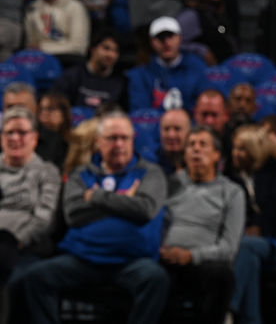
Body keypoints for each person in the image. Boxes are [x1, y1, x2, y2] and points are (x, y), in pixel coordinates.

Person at [16, 110, 169, 324]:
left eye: (124, 138)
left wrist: (95, 196)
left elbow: (144, 210)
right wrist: (123, 201)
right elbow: (73, 215)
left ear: (133, 139)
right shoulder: (81, 174)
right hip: (82, 260)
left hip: (132, 262)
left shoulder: (151, 173)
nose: (118, 144)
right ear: (98, 142)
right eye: (111, 138)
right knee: (35, 277)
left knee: (156, 279)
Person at [161, 125, 245, 324]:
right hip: (165, 259)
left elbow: (229, 248)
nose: (196, 149)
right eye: (191, 145)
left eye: (202, 144)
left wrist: (191, 256)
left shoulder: (232, 192)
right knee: (145, 272)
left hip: (202, 264)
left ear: (216, 155)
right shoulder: (168, 185)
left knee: (222, 276)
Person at [228, 124, 276, 324]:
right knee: (249, 259)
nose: (236, 153)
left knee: (246, 246)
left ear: (254, 150)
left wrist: (261, 228)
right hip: (243, 243)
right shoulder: (234, 177)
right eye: (234, 148)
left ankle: (227, 308)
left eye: (242, 149)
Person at [0, 106, 62, 285]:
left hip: (26, 249)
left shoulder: (47, 171)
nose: (15, 138)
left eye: (22, 132)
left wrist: (16, 241)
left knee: (18, 281)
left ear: (34, 138)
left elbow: (44, 219)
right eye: (9, 133)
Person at [126, 16, 209, 112]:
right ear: (152, 42)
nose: (166, 42)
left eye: (170, 36)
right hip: (156, 126)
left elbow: (203, 107)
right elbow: (140, 112)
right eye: (160, 38)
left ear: (180, 38)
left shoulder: (197, 66)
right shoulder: (140, 75)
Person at [23, 0, 91, 60]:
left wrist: (43, 48)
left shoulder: (75, 7)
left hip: (68, 59)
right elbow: (31, 45)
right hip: (39, 60)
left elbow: (78, 47)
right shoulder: (32, 8)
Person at [51, 29, 127, 110]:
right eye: (106, 48)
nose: (111, 55)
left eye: (115, 51)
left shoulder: (120, 82)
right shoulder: (72, 76)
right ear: (93, 49)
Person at [147, 108, 191, 176]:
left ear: (189, 132)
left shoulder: (196, 161)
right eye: (166, 129)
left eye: (177, 129)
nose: (171, 135)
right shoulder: (148, 162)